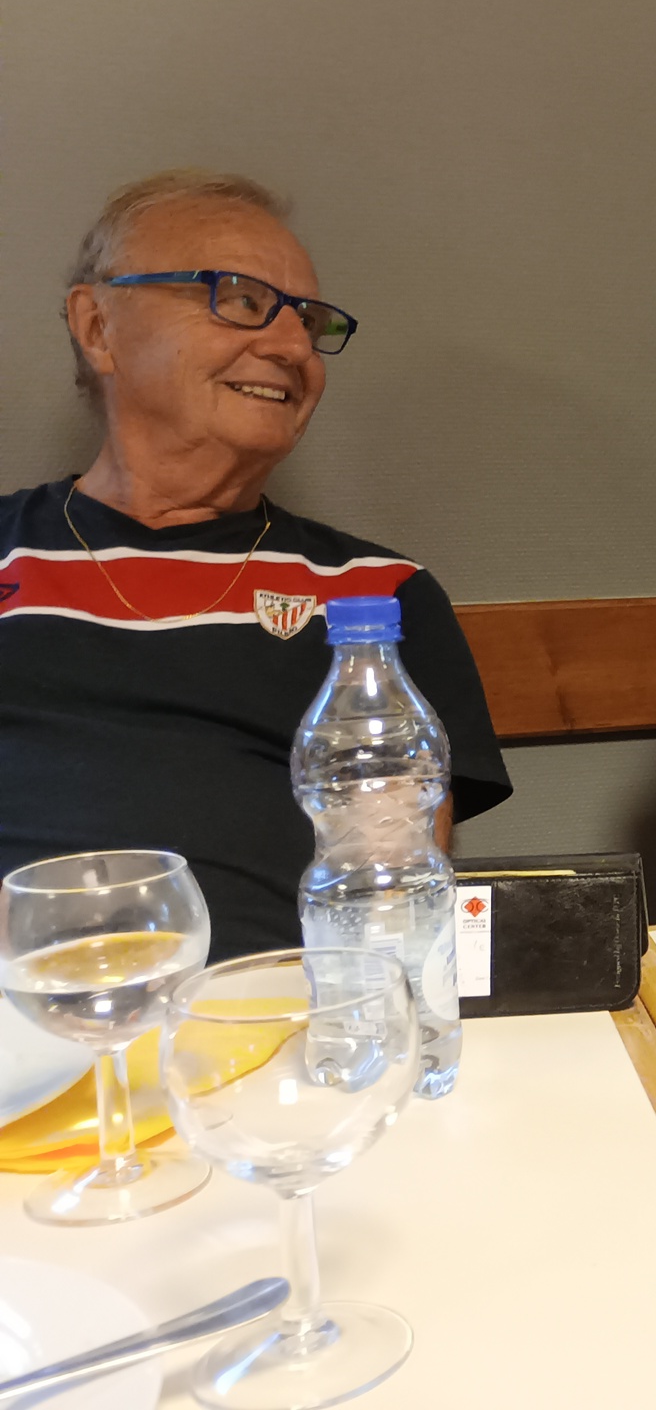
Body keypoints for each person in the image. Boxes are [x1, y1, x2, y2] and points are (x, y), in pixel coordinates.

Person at [0, 170, 511, 958]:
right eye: (240, 299)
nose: (292, 347)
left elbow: (394, 899)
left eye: (307, 320)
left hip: (281, 1014)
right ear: (98, 326)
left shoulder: (375, 601)